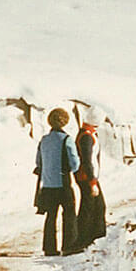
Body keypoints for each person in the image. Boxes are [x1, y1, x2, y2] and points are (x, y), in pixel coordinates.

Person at [35, 107, 81, 256]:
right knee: (69, 214)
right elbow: (75, 163)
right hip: (63, 183)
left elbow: (38, 161)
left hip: (47, 184)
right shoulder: (67, 140)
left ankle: (49, 248)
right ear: (65, 122)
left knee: (50, 216)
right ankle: (69, 245)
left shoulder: (44, 140)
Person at [74, 118, 107, 249]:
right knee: (94, 207)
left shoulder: (89, 134)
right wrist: (92, 181)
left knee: (92, 206)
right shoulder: (86, 137)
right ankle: (89, 239)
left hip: (88, 176)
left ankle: (90, 238)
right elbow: (87, 160)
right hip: (87, 177)